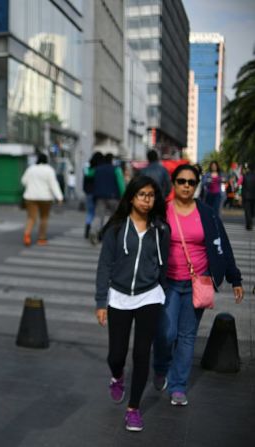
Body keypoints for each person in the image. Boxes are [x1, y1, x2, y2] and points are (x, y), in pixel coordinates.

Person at [153, 164, 244, 406]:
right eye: (181, 181)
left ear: (196, 185)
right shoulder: (161, 211)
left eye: (191, 182)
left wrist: (235, 278)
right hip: (167, 283)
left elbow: (221, 244)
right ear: (174, 183)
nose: (186, 186)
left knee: (186, 336)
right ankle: (161, 366)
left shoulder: (207, 213)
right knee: (166, 332)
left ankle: (178, 386)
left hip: (197, 282)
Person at [94, 175, 169, 432]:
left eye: (151, 195)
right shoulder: (116, 228)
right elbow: (104, 265)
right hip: (119, 295)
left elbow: (164, 265)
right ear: (132, 197)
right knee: (116, 354)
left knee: (140, 354)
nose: (147, 201)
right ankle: (117, 376)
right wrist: (101, 301)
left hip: (149, 296)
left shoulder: (160, 229)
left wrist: (163, 293)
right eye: (142, 195)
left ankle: (134, 409)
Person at [20, 152, 63, 246]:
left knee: (31, 217)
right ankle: (41, 238)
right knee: (44, 218)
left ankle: (27, 235)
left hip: (30, 197)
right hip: (45, 198)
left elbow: (23, 181)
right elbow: (53, 184)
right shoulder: (49, 170)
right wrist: (59, 197)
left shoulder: (31, 169)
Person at [91, 153, 125, 243]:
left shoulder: (97, 169)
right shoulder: (116, 170)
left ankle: (93, 231)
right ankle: (110, 235)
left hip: (100, 197)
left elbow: (88, 174)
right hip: (113, 197)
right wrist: (124, 195)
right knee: (114, 217)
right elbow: (121, 183)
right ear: (112, 160)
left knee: (98, 216)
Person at [84, 152, 104, 239]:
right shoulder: (99, 170)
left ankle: (87, 231)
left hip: (88, 193)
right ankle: (97, 232)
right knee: (98, 214)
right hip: (97, 194)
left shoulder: (87, 169)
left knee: (90, 212)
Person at [241, 164, 255, 230]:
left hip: (246, 196)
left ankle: (249, 224)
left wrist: (242, 196)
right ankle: (250, 222)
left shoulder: (245, 175)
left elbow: (243, 187)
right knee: (252, 210)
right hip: (253, 196)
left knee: (247, 211)